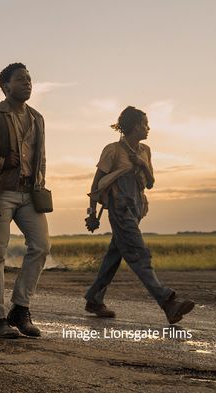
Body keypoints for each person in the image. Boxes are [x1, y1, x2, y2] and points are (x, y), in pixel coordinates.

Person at [84, 106, 195, 324]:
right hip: (120, 209)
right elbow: (96, 184)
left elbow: (151, 183)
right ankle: (168, 302)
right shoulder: (113, 150)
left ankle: (94, 299)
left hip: (136, 209)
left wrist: (142, 164)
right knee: (139, 253)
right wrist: (92, 213)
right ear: (135, 126)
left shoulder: (145, 151)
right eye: (145, 124)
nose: (148, 127)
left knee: (114, 257)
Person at [0, 62, 50, 339]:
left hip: (30, 193)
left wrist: (40, 181)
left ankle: (19, 308)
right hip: (0, 192)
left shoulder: (37, 118)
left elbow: (40, 156)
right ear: (6, 86)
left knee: (41, 246)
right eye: (20, 79)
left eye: (29, 79)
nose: (28, 83)